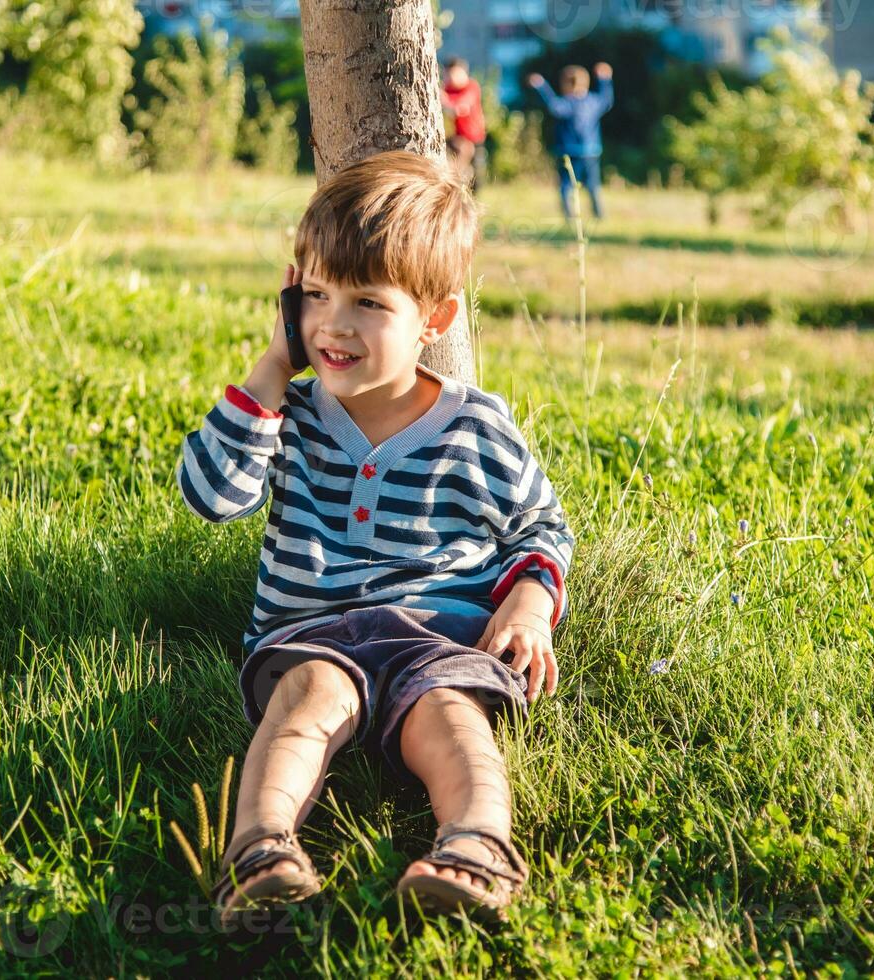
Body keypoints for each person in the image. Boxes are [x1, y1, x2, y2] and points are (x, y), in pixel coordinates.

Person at [177, 150, 575, 923]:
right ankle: (259, 847)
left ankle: (477, 846)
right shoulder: (286, 415)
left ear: (435, 319)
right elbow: (212, 499)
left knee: (452, 718)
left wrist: (528, 604)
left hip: (440, 638)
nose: (334, 324)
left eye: (368, 302)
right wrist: (269, 367)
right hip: (313, 632)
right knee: (307, 701)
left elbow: (539, 525)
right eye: (316, 294)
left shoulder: (475, 425)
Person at [527, 62, 614, 222]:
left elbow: (553, 106)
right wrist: (605, 79)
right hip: (591, 150)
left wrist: (541, 86)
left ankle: (569, 217)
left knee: (566, 186)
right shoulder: (593, 102)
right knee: (593, 186)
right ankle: (599, 215)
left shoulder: (567, 103)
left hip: (569, 151)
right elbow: (606, 100)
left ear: (566, 84)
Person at [440, 57, 488, 190]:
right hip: (456, 137)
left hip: (473, 137)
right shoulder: (448, 88)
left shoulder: (471, 86)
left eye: (453, 74)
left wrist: (443, 99)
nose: (450, 78)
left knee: (476, 178)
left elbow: (460, 109)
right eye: (447, 75)